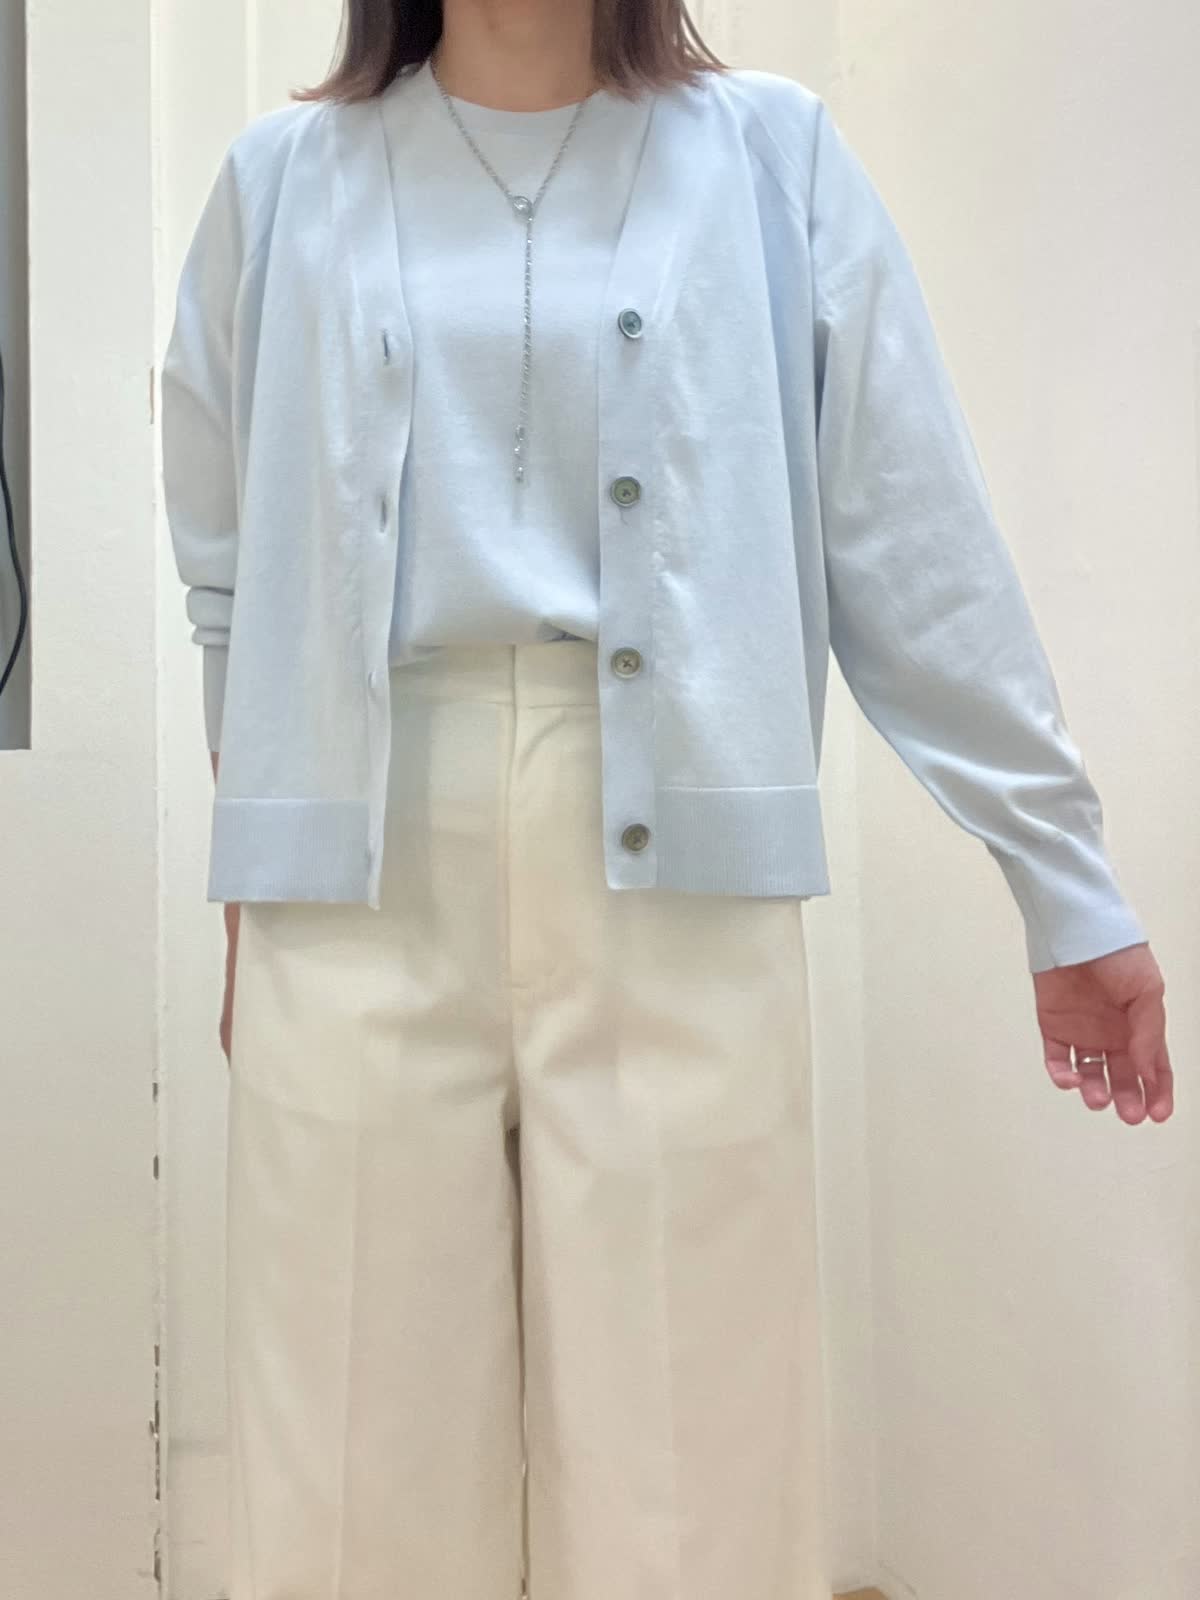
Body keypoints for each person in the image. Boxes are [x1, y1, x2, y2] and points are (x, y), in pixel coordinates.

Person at [160, 1, 1174, 1595]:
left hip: (680, 863)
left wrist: (1061, 874)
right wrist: (258, 869)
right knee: (348, 1459)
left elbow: (910, 535)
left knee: (695, 1461)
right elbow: (227, 570)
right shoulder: (281, 179)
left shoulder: (770, 160)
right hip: (353, 865)